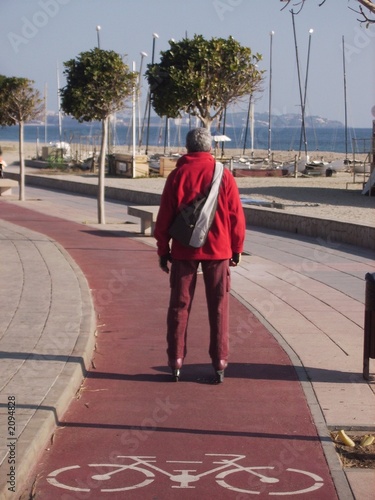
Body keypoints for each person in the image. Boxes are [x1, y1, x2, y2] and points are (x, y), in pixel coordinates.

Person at [154, 128, 246, 383]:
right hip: (218, 250)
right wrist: (237, 248)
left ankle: (176, 360)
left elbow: (164, 217)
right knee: (219, 307)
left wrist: (164, 250)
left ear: (187, 148)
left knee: (179, 306)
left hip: (184, 250)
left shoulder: (177, 175)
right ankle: (219, 360)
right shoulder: (224, 175)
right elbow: (236, 216)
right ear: (210, 148)